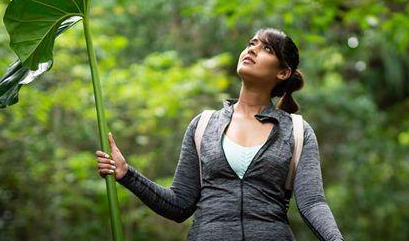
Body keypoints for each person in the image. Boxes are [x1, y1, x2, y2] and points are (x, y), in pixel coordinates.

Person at [95, 27, 344, 240]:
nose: (252, 50)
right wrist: (127, 174)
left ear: (283, 72)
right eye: (251, 44)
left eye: (267, 49)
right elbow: (179, 204)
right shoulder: (203, 125)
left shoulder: (297, 131)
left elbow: (312, 203)